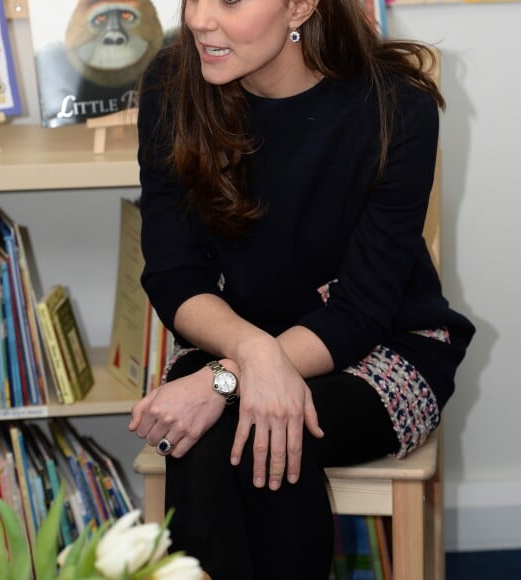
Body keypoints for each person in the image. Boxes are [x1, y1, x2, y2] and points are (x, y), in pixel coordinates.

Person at [128, 1, 475, 578]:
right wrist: (251, 355)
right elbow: (172, 275)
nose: (197, 19)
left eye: (230, 0)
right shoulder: (172, 86)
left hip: (382, 347)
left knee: (253, 431)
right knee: (223, 438)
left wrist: (229, 378)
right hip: (234, 336)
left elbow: (362, 310)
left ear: (300, 5)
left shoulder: (396, 107)